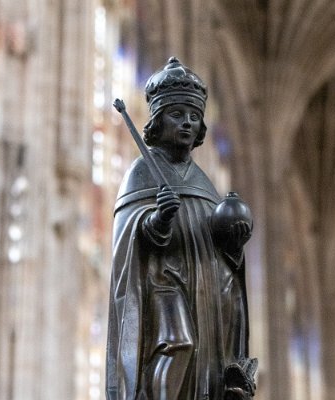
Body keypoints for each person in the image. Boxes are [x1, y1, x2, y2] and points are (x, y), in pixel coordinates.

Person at [106, 57, 255, 400]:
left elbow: (219, 250)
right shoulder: (141, 172)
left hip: (205, 289)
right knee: (178, 343)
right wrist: (157, 221)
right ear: (158, 120)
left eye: (194, 116)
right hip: (162, 281)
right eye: (177, 114)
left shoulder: (203, 182)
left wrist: (234, 245)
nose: (187, 122)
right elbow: (127, 236)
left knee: (207, 359)